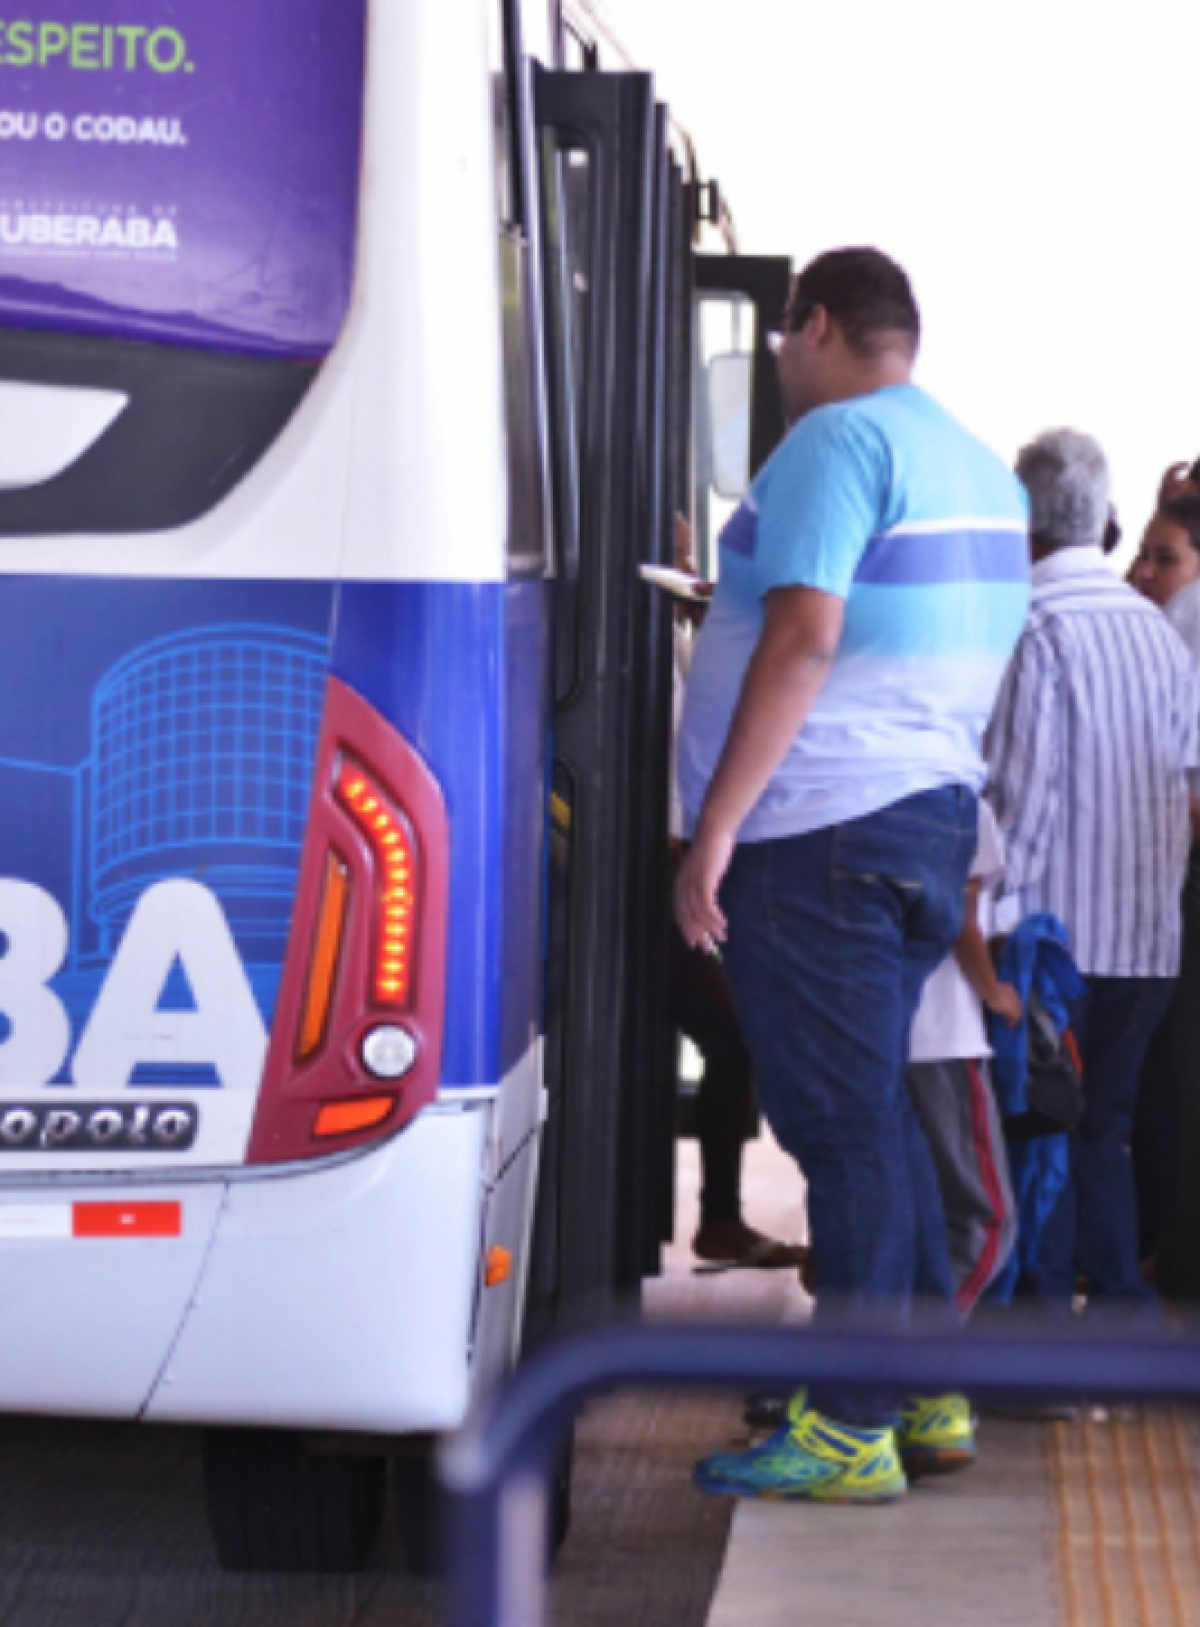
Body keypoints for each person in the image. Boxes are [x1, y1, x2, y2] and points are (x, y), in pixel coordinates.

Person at [674, 246, 1030, 1504]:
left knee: (842, 1130)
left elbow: (806, 631)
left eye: (780, 338)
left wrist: (716, 825)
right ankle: (924, 1390)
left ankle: (851, 1422)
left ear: (812, 324)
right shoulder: (981, 468)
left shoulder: (834, 443)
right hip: (925, 819)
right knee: (875, 1112)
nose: (777, 361)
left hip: (819, 830)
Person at [986, 428, 1199, 1317]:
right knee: (1105, 1129)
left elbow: (1022, 806)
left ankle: (1041, 1335)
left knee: (1040, 1131)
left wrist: (986, 927)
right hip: (1147, 940)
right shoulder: (1158, 634)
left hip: (1058, 944)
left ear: (1024, 523)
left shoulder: (1035, 629)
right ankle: (1119, 1318)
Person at [906, 797, 1020, 1318]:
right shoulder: (963, 804)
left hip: (877, 1031)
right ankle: (910, 1357)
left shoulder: (863, 793)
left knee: (906, 1211)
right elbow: (960, 918)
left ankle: (863, 1359)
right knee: (986, 1216)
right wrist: (994, 991)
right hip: (944, 1034)